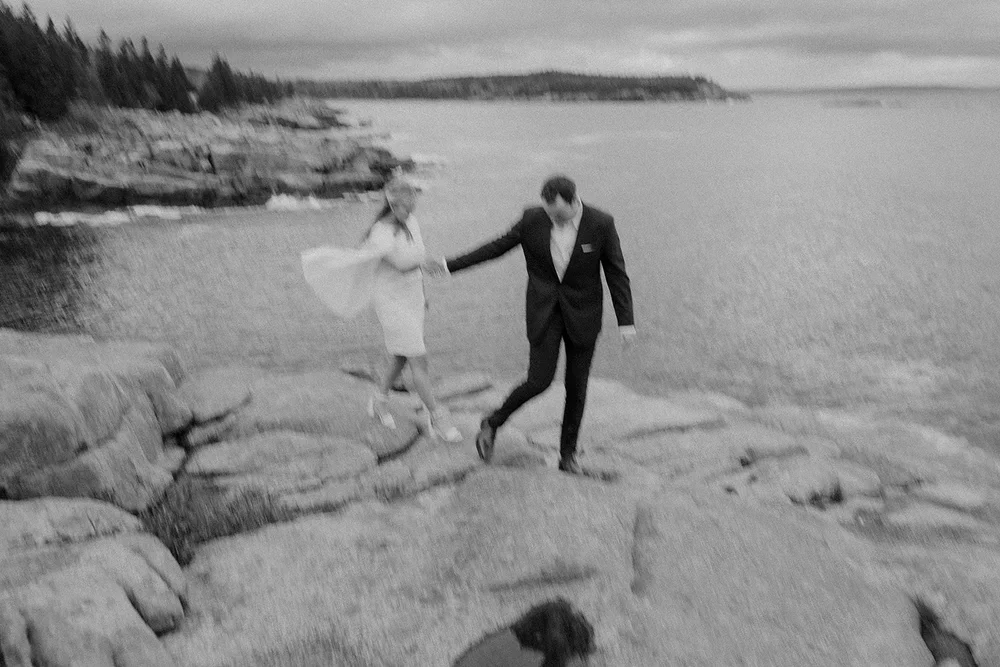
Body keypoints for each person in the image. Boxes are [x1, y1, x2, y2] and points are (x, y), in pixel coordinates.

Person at [426, 174, 635, 474]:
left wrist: (626, 322)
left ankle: (567, 456)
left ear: (574, 201)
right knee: (539, 380)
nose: (554, 219)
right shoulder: (532, 219)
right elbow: (495, 248)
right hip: (545, 312)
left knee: (577, 388)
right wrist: (448, 266)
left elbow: (616, 273)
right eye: (549, 213)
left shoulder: (601, 223)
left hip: (583, 316)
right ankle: (493, 422)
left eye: (559, 214)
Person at [360, 178, 462, 442]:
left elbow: (415, 259)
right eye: (407, 208)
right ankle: (438, 418)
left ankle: (379, 399)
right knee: (418, 359)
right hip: (391, 302)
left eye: (413, 207)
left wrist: (423, 294)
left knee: (402, 355)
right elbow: (402, 263)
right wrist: (425, 265)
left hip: (412, 298)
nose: (411, 213)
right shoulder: (379, 234)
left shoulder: (411, 223)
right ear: (393, 205)